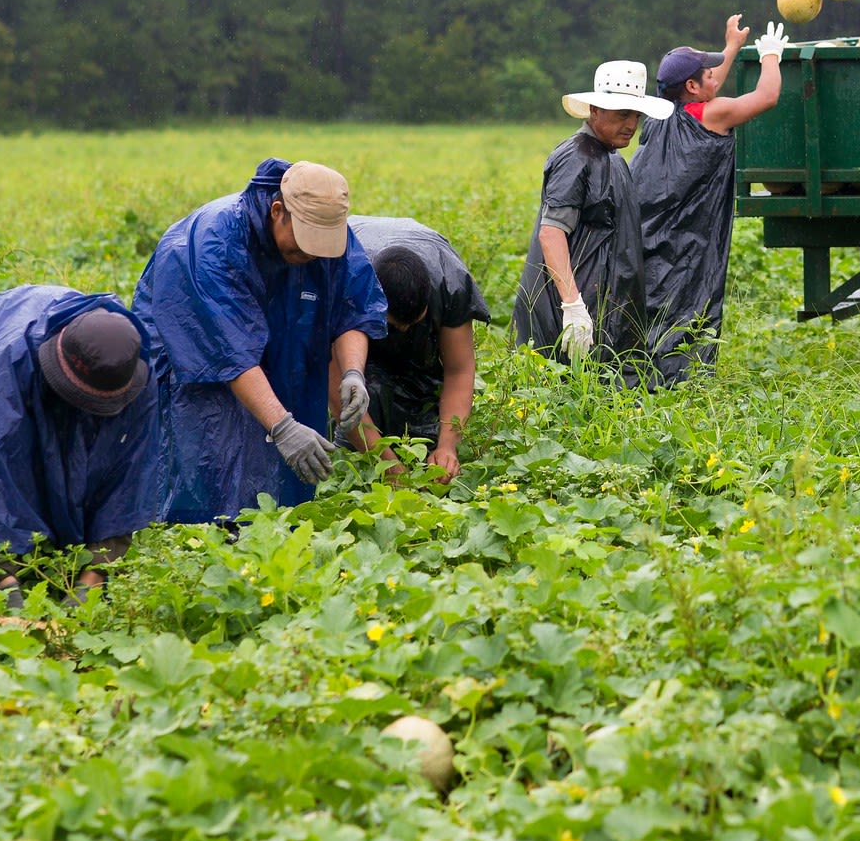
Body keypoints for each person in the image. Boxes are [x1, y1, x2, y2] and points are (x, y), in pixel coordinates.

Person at [135, 158, 388, 524]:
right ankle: (199, 537)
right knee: (211, 455)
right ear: (277, 211)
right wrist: (282, 427)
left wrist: (352, 372)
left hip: (274, 344)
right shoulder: (215, 242)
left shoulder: (328, 231)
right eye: (303, 244)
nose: (311, 255)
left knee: (281, 467)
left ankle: (275, 529)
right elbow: (228, 351)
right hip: (196, 361)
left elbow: (353, 305)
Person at [0, 286, 166, 604]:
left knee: (90, 457)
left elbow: (128, 481)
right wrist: (7, 588)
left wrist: (90, 584)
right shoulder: (8, 370)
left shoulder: (131, 375)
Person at [632, 15, 788, 385]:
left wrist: (731, 46)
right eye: (708, 74)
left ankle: (642, 375)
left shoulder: (658, 115)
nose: (715, 78)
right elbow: (767, 97)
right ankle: (675, 381)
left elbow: (707, 84)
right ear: (691, 85)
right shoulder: (711, 114)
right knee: (684, 298)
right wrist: (770, 56)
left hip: (648, 228)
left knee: (653, 302)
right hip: (687, 236)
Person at [514, 60, 671, 383]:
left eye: (636, 115)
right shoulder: (575, 158)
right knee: (564, 395)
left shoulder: (612, 158)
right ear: (595, 110)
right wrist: (572, 305)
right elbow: (551, 233)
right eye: (622, 114)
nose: (631, 124)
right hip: (567, 310)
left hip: (604, 309)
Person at [343, 215, 491, 479]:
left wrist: (447, 447)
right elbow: (336, 383)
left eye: (413, 323)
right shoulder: (348, 283)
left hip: (426, 251)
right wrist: (389, 466)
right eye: (395, 325)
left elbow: (459, 370)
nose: (403, 331)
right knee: (348, 429)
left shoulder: (450, 284)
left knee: (422, 416)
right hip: (361, 251)